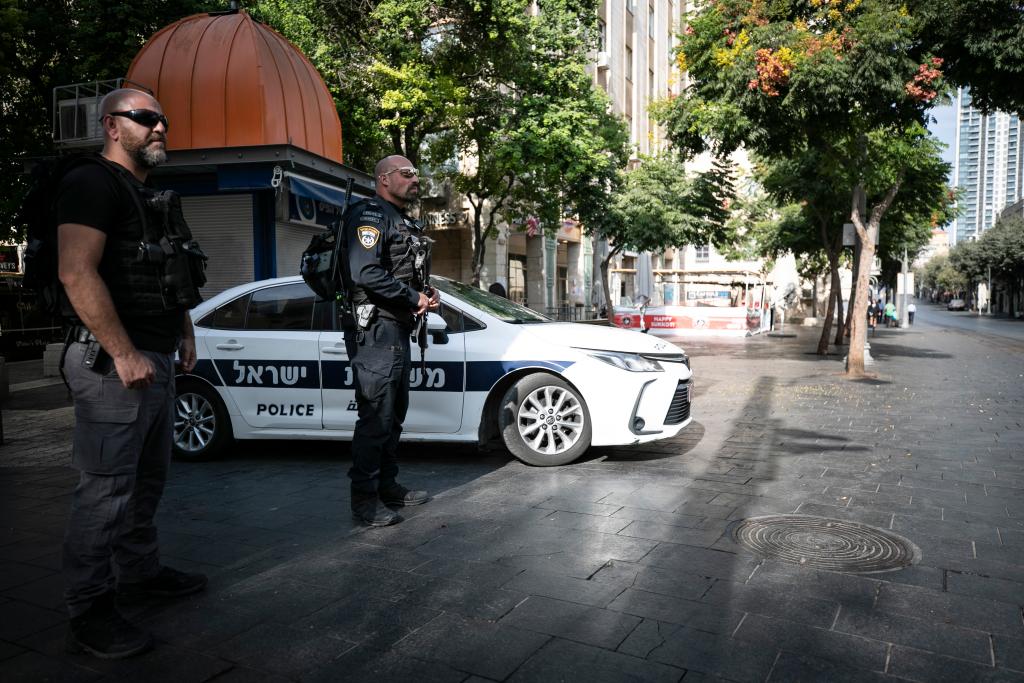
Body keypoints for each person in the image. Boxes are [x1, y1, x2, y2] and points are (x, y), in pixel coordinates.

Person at [56, 88, 208, 658]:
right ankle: (89, 609)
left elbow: (173, 275)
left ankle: (140, 573)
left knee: (147, 483)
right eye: (144, 118)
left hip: (156, 357)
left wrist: (185, 333)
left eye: (163, 119)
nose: (159, 127)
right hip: (111, 366)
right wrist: (122, 353)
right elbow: (76, 272)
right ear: (112, 126)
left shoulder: (147, 196)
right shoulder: (91, 183)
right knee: (105, 492)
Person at [341, 155, 440, 526]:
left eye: (416, 173)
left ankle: (388, 487)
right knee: (376, 416)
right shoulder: (369, 215)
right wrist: (412, 297)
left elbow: (401, 269)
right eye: (407, 173)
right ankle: (364, 503)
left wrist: (425, 292)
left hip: (395, 329)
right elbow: (364, 271)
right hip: (375, 330)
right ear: (384, 178)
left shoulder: (401, 220)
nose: (415, 179)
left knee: (394, 413)